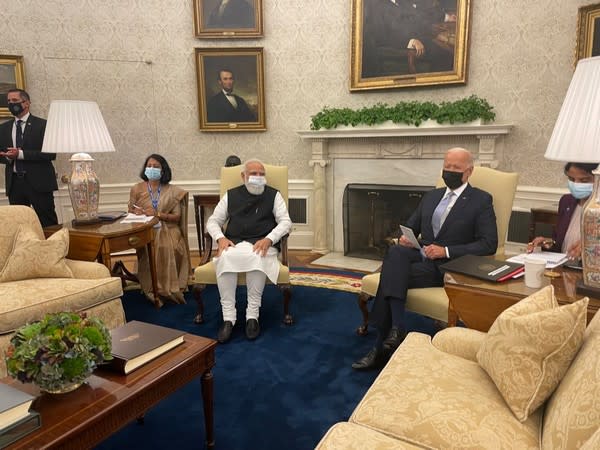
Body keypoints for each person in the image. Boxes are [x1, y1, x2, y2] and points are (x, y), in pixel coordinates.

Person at [352, 148, 498, 370]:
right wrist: (405, 238)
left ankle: (380, 345)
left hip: (448, 266)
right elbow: (411, 226)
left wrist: (446, 251)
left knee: (391, 274)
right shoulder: (432, 196)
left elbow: (489, 244)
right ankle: (397, 329)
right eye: (446, 166)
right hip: (420, 256)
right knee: (396, 252)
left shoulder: (481, 200)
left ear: (469, 172)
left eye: (455, 168)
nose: (449, 171)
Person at [206, 159, 292, 343]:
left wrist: (270, 239)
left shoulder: (274, 195)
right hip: (234, 243)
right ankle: (228, 318)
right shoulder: (231, 195)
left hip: (262, 243)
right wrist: (220, 238)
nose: (258, 177)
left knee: (257, 257)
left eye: (262, 174)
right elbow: (213, 221)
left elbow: (286, 222)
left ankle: (252, 316)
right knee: (225, 257)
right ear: (243, 176)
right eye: (254, 174)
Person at [128, 154, 190, 306]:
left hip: (169, 228)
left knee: (166, 245)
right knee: (149, 243)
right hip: (145, 228)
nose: (152, 169)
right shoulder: (136, 189)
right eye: (149, 166)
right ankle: (151, 287)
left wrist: (157, 214)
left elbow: (176, 217)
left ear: (163, 170)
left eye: (156, 166)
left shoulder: (173, 191)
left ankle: (168, 288)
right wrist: (135, 212)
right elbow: (130, 210)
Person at [0, 88, 58, 227]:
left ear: (26, 103)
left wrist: (20, 154)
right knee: (20, 226)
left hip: (39, 183)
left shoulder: (43, 125)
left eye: (15, 100)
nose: (11, 104)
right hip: (15, 185)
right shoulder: (3, 128)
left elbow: (51, 154)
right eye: (8, 101)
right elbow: (2, 154)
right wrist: (7, 157)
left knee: (48, 224)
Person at [361, 0, 454, 78]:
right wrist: (410, 41)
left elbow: (418, 18)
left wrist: (441, 25)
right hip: (398, 45)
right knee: (445, 54)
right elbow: (381, 35)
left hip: (417, 39)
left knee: (448, 48)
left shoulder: (401, 2)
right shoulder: (375, 5)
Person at [527, 162, 597, 260]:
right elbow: (559, 243)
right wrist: (546, 244)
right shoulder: (566, 201)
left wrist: (590, 248)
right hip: (564, 267)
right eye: (572, 179)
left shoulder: (596, 208)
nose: (576, 184)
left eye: (584, 180)